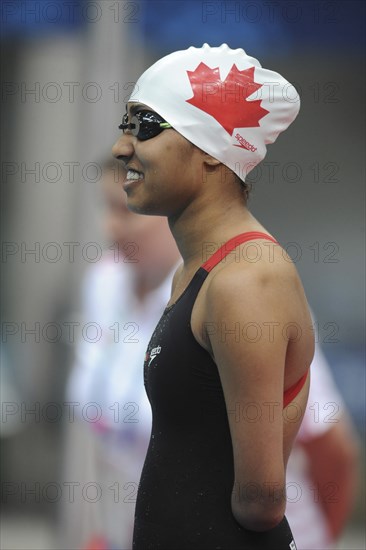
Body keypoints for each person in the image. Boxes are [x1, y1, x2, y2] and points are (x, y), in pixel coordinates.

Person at [112, 44, 314, 549]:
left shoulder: (247, 280)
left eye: (146, 125)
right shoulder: (197, 272)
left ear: (210, 148)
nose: (120, 147)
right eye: (125, 122)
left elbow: (261, 500)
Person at [62, 160, 180, 550]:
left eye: (125, 209)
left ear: (173, 208)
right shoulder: (106, 280)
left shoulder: (221, 295)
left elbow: (331, 448)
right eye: (105, 207)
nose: (109, 227)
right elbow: (107, 437)